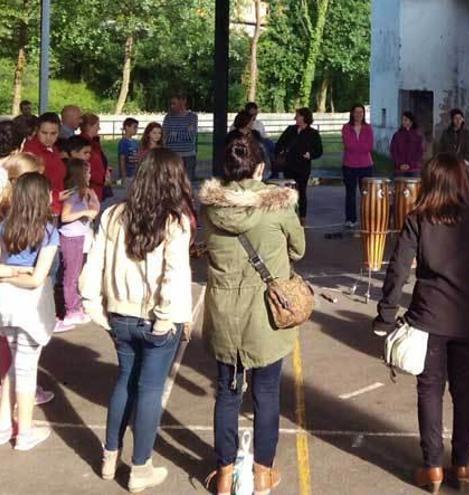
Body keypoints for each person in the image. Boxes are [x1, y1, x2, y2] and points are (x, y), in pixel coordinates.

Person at [373, 153, 469, 493]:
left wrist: (386, 314)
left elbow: (399, 269)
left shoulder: (419, 218)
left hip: (428, 319)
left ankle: (433, 466)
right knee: (465, 390)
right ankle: (462, 464)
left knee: (430, 391)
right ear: (462, 182)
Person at [79, 148, 193, 492]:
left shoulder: (113, 215)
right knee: (149, 390)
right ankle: (140, 467)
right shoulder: (175, 222)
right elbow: (174, 276)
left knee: (125, 380)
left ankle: (110, 456)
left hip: (120, 314)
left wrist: (94, 306)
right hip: (156, 319)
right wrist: (165, 317)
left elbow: (93, 264)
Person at [200, 134, 305, 495]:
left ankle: (225, 474)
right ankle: (262, 473)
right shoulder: (278, 206)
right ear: (260, 167)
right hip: (266, 315)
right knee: (267, 392)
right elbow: (300, 248)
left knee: (227, 394)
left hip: (225, 314)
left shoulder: (211, 209)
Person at [0, 173, 60, 451]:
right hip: (31, 307)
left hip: (5, 305)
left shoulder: (4, 227)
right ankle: (24, 432)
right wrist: (22, 272)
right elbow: (37, 278)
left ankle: (3, 426)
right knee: (25, 369)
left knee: (12, 366)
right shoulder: (48, 232)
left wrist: (8, 273)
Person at [54, 159, 100, 333]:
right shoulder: (72, 194)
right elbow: (65, 216)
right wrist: (84, 212)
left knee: (75, 273)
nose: (90, 175)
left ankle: (75, 305)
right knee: (71, 275)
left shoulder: (81, 192)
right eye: (87, 172)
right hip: (71, 238)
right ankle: (71, 310)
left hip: (79, 236)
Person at [275, 107, 323, 221]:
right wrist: (281, 151)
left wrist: (310, 155)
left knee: (302, 191)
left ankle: (302, 217)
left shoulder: (313, 133)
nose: (295, 117)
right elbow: (279, 144)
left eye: (297, 115)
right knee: (288, 191)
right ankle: (288, 215)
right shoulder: (290, 129)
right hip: (289, 165)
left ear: (304, 117)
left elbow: (319, 151)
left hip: (303, 167)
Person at [23, 113, 65, 216]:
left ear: (59, 132)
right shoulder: (30, 151)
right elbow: (28, 185)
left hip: (56, 207)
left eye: (53, 133)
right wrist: (56, 196)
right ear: (37, 130)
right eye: (44, 133)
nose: (48, 137)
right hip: (39, 210)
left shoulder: (53, 149)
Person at [341, 103, 374, 228]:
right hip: (349, 165)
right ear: (352, 113)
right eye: (356, 112)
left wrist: (358, 147)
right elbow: (348, 144)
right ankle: (350, 219)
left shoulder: (368, 128)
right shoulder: (346, 128)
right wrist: (359, 147)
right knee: (350, 193)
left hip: (366, 165)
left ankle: (367, 218)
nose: (359, 115)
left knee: (366, 194)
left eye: (361, 112)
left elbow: (369, 146)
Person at [163, 93, 199, 181]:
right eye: (171, 104)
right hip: (172, 155)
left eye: (174, 103)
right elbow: (165, 136)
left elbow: (190, 136)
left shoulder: (192, 117)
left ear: (183, 101)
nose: (172, 106)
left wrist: (174, 134)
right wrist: (184, 132)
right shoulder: (168, 117)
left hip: (188, 155)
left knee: (187, 181)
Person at [79, 113, 110, 201]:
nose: (99, 128)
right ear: (89, 126)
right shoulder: (84, 143)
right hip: (92, 185)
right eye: (97, 125)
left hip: (97, 185)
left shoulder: (93, 142)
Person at [390, 111, 425, 177]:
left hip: (413, 169)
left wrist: (410, 165)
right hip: (400, 169)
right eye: (402, 120)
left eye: (406, 120)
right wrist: (400, 164)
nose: (403, 122)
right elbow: (393, 151)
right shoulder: (397, 135)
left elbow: (420, 152)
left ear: (411, 121)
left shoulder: (418, 135)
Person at [118, 117, 140, 183]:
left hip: (135, 174)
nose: (136, 129)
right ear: (127, 127)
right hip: (128, 175)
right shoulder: (123, 142)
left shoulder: (135, 142)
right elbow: (122, 160)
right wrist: (123, 176)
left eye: (137, 127)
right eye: (135, 127)